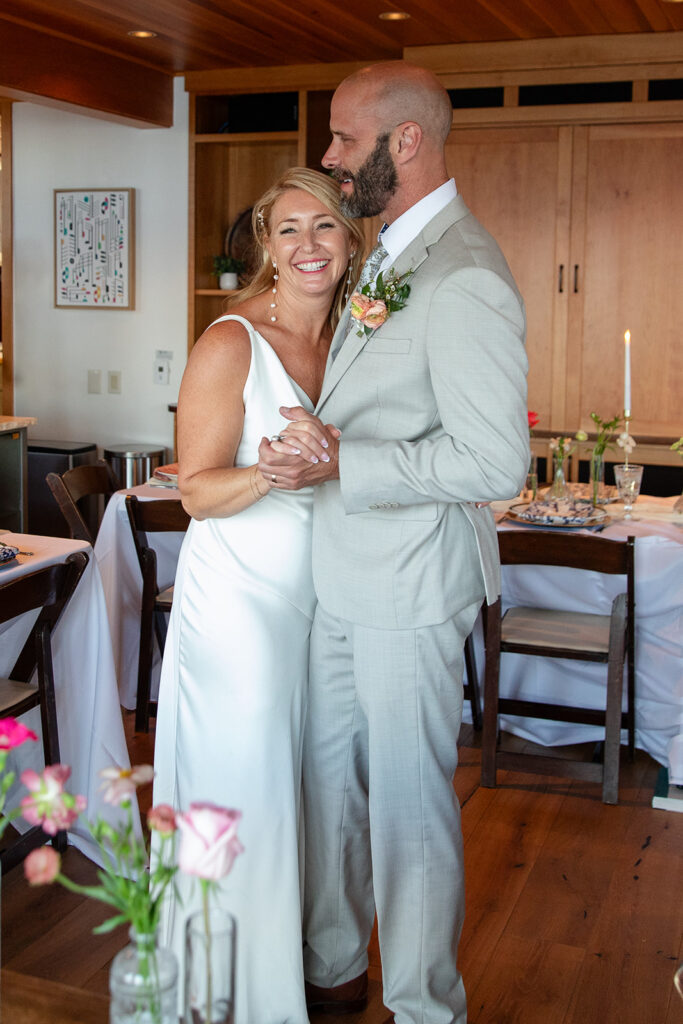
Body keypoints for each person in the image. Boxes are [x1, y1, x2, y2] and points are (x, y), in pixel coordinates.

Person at [258, 62, 530, 1024]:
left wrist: (345, 463)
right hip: (340, 574)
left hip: (412, 586)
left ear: (403, 143)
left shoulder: (461, 272)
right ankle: (333, 972)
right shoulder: (386, 255)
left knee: (411, 816)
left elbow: (496, 460)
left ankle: (424, 1008)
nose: (328, 159)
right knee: (328, 787)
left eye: (341, 138)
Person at [152, 166, 364, 1024]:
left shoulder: (358, 337)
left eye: (325, 228)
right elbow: (196, 494)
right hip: (240, 603)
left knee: (316, 787)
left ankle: (307, 964)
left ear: (351, 244)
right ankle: (226, 992)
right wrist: (269, 473)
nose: (307, 245)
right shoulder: (230, 341)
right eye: (288, 229)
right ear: (266, 247)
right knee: (246, 785)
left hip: (329, 595)